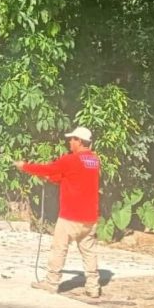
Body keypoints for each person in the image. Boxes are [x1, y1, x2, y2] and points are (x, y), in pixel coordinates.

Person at [14, 126, 102, 298]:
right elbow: (70, 178)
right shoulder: (94, 161)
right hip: (90, 217)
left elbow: (48, 168)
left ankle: (51, 282)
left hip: (70, 216)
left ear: (79, 141)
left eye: (72, 139)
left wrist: (24, 166)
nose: (69, 142)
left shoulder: (70, 159)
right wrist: (50, 178)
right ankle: (93, 287)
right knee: (89, 252)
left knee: (58, 249)